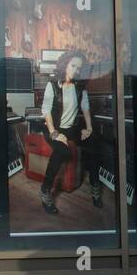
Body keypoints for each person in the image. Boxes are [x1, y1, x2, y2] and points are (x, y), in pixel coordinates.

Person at [39, 51, 102, 214]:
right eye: (73, 65)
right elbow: (46, 110)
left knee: (94, 143)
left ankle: (95, 188)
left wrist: (89, 128)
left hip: (72, 128)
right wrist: (54, 133)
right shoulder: (52, 84)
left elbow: (85, 107)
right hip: (53, 128)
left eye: (79, 68)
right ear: (65, 64)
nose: (76, 70)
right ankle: (45, 190)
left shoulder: (80, 87)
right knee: (61, 150)